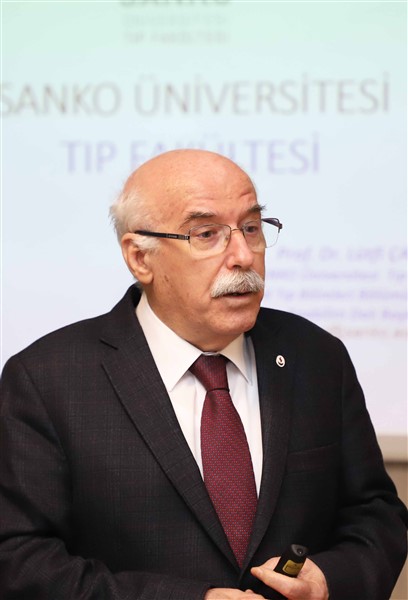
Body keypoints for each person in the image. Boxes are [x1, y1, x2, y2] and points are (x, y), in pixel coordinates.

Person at [0, 149, 406, 600]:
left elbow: (376, 514)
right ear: (140, 258)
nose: (243, 256)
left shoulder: (316, 357)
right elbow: (19, 558)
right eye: (207, 234)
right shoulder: (47, 380)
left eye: (251, 228)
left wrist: (329, 581)